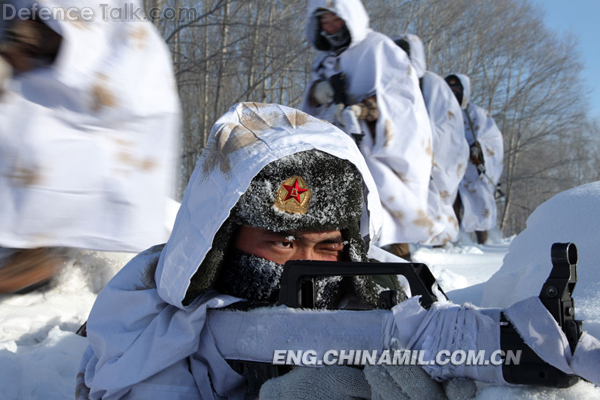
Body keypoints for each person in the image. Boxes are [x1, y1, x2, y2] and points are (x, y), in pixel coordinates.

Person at [77, 103, 599, 399]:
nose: (308, 262)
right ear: (221, 243)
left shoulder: (381, 292)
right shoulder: (153, 317)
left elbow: (437, 335)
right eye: (281, 242)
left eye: (327, 245)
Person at [0, 0, 180, 293]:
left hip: (106, 71)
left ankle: (35, 252)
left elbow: (90, 22)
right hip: (47, 58)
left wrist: (32, 35)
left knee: (36, 131)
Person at [301, 0, 440, 260]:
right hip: (335, 148)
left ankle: (400, 277)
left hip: (373, 150)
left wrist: (364, 111)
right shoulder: (325, 61)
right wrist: (319, 95)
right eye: (324, 21)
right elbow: (312, 105)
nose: (330, 27)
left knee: (384, 214)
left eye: (335, 19)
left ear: (348, 17)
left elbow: (400, 99)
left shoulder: (378, 49)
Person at [394, 35, 469, 246]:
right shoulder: (391, 82)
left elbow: (446, 128)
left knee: (432, 202)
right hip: (403, 154)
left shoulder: (432, 84)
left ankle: (438, 241)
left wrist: (419, 142)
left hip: (433, 156)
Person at [444, 74, 503, 244]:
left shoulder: (477, 113)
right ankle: (451, 242)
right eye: (450, 89)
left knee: (478, 206)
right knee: (450, 207)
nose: (453, 93)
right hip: (450, 170)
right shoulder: (443, 113)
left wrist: (478, 148)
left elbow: (492, 139)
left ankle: (482, 244)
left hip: (472, 172)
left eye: (457, 89)